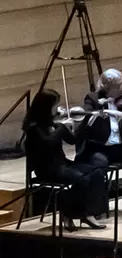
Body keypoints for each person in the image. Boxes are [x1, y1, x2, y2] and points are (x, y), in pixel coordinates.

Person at [21, 90, 108, 231]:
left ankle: (88, 213)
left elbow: (73, 140)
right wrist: (61, 127)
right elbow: (48, 143)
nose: (58, 109)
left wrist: (88, 121)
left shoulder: (52, 123)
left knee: (97, 172)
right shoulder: (34, 128)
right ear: (46, 107)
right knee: (81, 179)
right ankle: (70, 213)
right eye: (55, 105)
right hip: (47, 169)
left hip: (63, 164)